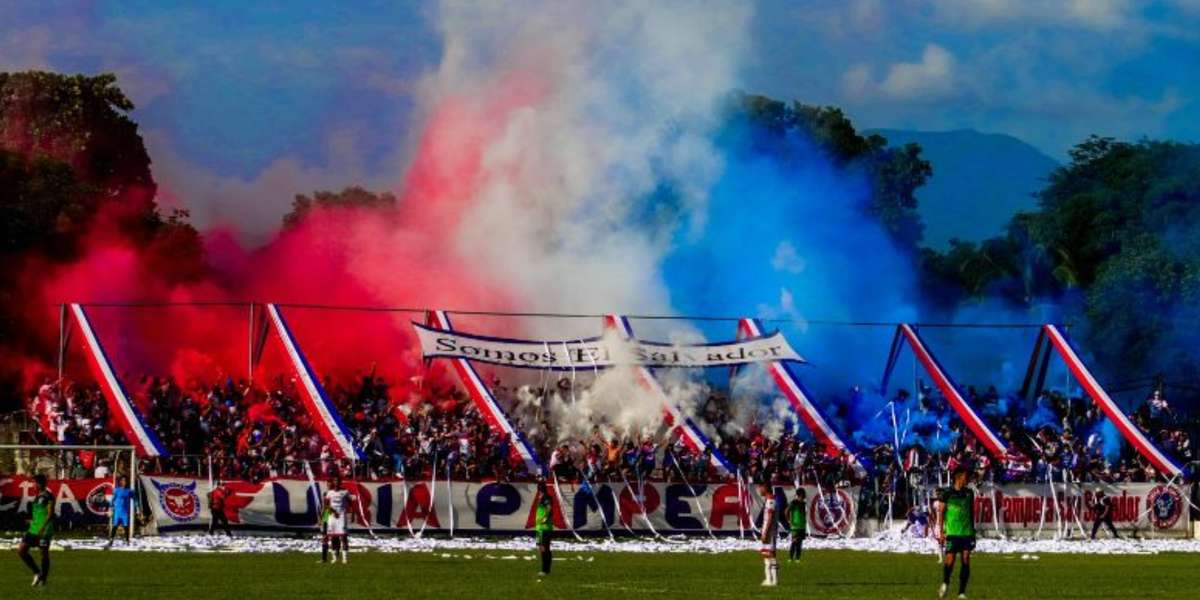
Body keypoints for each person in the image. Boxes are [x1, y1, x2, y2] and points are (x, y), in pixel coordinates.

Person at [937, 467, 975, 599]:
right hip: (952, 532)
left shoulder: (969, 493)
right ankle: (945, 582)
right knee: (950, 561)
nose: (967, 479)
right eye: (966, 476)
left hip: (966, 532)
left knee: (966, 560)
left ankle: (961, 592)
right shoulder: (947, 493)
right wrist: (941, 532)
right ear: (958, 477)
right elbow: (941, 512)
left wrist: (973, 531)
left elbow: (971, 512)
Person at [17, 474, 54, 587]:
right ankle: (37, 573)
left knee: (43, 554)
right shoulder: (37, 496)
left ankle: (43, 580)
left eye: (34, 483)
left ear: (39, 484)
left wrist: (42, 528)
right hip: (33, 528)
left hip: (44, 530)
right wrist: (32, 521)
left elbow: (50, 514)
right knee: (21, 550)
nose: (32, 485)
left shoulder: (48, 496)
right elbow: (39, 513)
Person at [321, 475, 353, 564]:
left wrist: (353, 513)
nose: (336, 483)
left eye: (338, 481)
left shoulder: (345, 492)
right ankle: (334, 558)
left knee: (343, 537)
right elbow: (326, 506)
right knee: (333, 537)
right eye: (335, 481)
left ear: (340, 482)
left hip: (341, 516)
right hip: (331, 517)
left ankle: (345, 558)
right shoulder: (329, 493)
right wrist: (323, 518)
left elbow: (351, 503)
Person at [758, 483, 779, 587]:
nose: (758, 489)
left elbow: (770, 517)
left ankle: (774, 580)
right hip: (768, 531)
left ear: (765, 488)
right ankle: (769, 579)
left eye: (760, 487)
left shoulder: (771, 501)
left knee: (771, 555)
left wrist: (765, 532)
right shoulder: (769, 500)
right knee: (766, 555)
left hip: (770, 532)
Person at [105, 475, 133, 547]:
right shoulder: (116, 490)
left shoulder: (129, 491)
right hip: (117, 511)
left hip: (125, 512)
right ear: (120, 481)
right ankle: (111, 540)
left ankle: (127, 541)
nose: (124, 482)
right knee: (115, 526)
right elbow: (113, 499)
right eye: (122, 480)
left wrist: (138, 509)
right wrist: (110, 508)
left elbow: (135, 499)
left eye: (125, 481)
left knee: (126, 526)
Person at [534, 480, 553, 577]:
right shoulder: (541, 497)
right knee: (542, 548)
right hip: (539, 527)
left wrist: (545, 518)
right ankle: (545, 569)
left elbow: (549, 507)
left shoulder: (546, 497)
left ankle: (545, 570)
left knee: (544, 548)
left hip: (545, 527)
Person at [785, 488, 807, 562]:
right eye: (802, 495)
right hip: (795, 526)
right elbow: (786, 511)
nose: (804, 497)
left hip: (802, 526)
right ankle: (790, 558)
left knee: (799, 543)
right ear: (799, 495)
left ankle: (798, 558)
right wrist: (789, 520)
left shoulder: (803, 503)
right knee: (794, 541)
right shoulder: (793, 503)